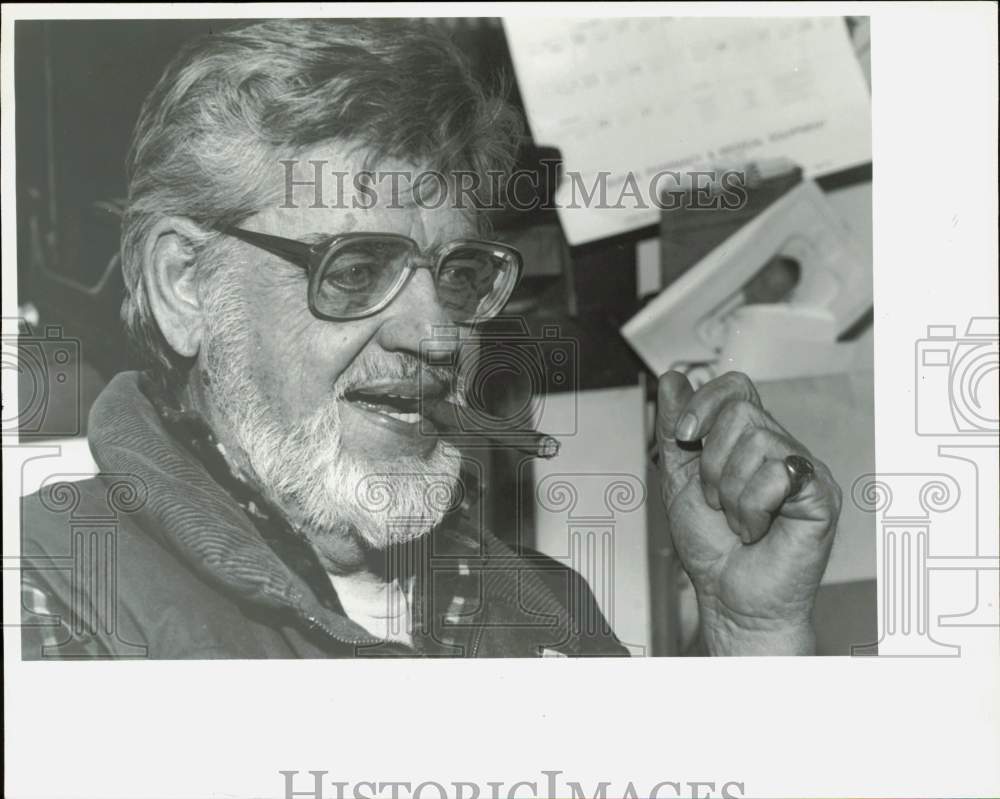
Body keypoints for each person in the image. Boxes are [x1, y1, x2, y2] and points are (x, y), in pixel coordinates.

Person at [20, 18, 841, 659]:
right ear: (185, 286)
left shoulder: (546, 608)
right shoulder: (48, 592)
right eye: (354, 269)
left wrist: (751, 633)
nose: (438, 336)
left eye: (456, 275)